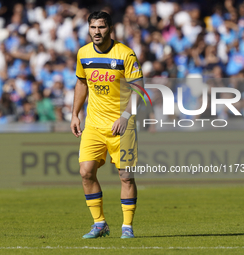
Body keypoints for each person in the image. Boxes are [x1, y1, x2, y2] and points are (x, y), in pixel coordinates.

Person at [70, 11, 144, 239]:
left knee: (126, 175)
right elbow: (82, 84)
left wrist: (124, 116)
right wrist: (75, 114)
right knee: (86, 172)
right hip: (93, 124)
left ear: (110, 29)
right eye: (93, 27)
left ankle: (127, 227)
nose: (96, 32)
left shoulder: (125, 54)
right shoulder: (83, 53)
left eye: (101, 27)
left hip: (122, 125)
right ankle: (100, 224)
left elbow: (139, 90)